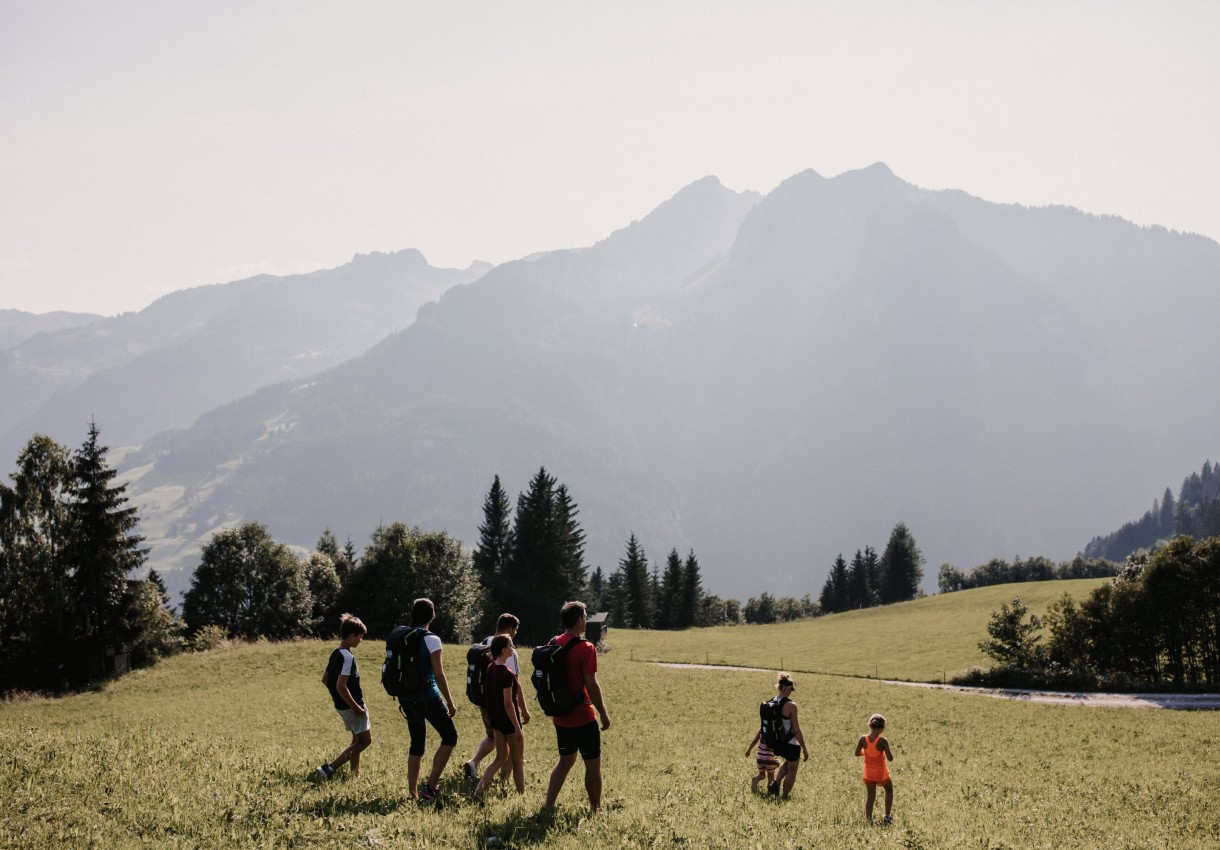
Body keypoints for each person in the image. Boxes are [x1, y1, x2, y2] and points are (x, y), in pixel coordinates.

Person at [543, 600, 611, 812]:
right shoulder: (586, 648)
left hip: (560, 716)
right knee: (592, 766)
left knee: (564, 762)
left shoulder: (553, 642)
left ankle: (548, 805)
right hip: (583, 717)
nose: (586, 620)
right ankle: (595, 809)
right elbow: (591, 684)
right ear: (579, 620)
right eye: (585, 616)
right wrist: (604, 713)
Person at [399, 598, 459, 803]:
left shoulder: (402, 636)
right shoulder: (431, 639)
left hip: (406, 697)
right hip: (428, 697)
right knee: (450, 736)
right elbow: (439, 674)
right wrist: (450, 702)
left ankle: (413, 792)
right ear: (432, 616)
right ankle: (431, 785)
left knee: (416, 743)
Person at [463, 613, 530, 781]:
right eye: (515, 630)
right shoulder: (507, 649)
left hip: (485, 701)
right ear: (508, 629)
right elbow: (516, 682)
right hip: (503, 705)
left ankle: (474, 762)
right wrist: (523, 709)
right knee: (510, 741)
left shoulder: (485, 642)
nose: (515, 635)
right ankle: (503, 780)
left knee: (493, 736)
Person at [317, 613, 371, 780]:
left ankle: (355, 775)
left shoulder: (336, 653)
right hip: (353, 706)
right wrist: (356, 708)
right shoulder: (348, 657)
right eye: (360, 636)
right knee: (365, 741)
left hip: (341, 706)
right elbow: (341, 685)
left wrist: (338, 699)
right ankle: (329, 769)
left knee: (356, 740)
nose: (361, 640)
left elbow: (325, 680)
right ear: (350, 636)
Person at [473, 634, 526, 797]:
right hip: (509, 722)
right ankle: (521, 795)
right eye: (511, 645)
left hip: (495, 720)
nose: (513, 648)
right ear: (504, 650)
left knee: (499, 758)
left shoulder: (490, 668)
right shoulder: (506, 673)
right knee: (517, 761)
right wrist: (517, 728)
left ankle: (479, 791)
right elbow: (508, 703)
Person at [762, 672, 808, 798]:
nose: (791, 692)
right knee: (793, 769)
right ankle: (785, 796)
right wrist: (804, 748)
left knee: (787, 763)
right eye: (791, 690)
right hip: (791, 743)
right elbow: (796, 730)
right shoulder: (791, 706)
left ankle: (775, 784)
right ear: (787, 688)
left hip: (777, 743)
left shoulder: (771, 702)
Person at [854, 713, 895, 824]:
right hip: (881, 773)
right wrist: (887, 747)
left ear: (870, 726)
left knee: (870, 797)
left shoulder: (863, 739)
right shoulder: (883, 741)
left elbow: (857, 753)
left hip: (868, 773)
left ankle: (868, 820)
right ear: (882, 727)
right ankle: (887, 816)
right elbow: (890, 758)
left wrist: (867, 752)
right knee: (889, 791)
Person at [743, 729, 779, 794]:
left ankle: (755, 779)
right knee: (771, 777)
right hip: (769, 758)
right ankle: (769, 793)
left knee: (762, 775)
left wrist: (749, 750)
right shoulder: (775, 731)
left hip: (760, 758)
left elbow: (755, 740)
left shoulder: (762, 729)